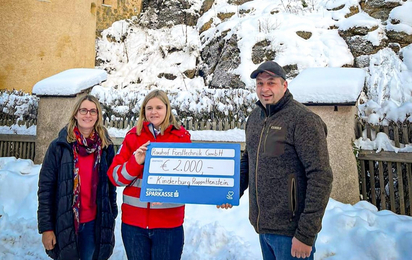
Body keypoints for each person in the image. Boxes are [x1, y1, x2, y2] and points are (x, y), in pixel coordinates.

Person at [219, 61, 333, 259]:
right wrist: (232, 191)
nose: (265, 89)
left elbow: (321, 177)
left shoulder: (303, 120)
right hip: (264, 227)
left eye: (271, 83)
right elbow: (249, 159)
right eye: (260, 84)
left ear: (284, 85)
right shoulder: (255, 118)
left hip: (291, 233)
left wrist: (306, 234)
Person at [107, 89, 191, 260]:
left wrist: (168, 193)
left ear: (167, 109)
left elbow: (189, 180)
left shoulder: (181, 137)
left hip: (168, 224)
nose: (154, 112)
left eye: (159, 107)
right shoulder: (132, 136)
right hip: (134, 225)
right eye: (149, 108)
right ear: (143, 111)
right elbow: (115, 177)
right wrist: (135, 161)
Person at [37, 95, 118, 260]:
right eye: (83, 110)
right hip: (65, 223)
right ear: (75, 114)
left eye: (92, 111)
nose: (88, 115)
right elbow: (46, 189)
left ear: (97, 116)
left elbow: (110, 187)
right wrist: (46, 228)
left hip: (94, 224)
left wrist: (111, 214)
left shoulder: (105, 147)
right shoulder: (59, 146)